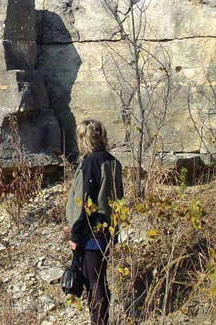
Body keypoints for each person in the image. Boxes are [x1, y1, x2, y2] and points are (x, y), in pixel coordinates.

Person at [65, 119, 123, 325]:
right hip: (107, 231)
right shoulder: (113, 161)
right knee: (98, 279)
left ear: (84, 138)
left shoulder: (90, 162)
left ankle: (99, 322)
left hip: (92, 233)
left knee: (94, 282)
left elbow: (85, 202)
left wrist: (76, 236)